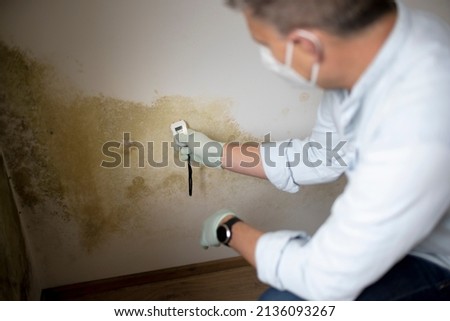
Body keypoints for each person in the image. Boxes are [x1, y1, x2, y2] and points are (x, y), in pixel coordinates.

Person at [174, 0, 450, 300]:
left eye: (264, 44)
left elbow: (322, 280)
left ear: (305, 44)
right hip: (410, 233)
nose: (268, 56)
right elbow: (322, 154)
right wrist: (215, 153)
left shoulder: (418, 127)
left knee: (280, 306)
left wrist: (228, 229)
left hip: (438, 259)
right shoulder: (377, 52)